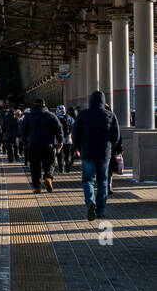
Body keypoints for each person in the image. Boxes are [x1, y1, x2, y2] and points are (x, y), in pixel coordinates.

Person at [71, 90, 121, 221]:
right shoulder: (110, 115)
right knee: (103, 181)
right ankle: (100, 210)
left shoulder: (83, 115)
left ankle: (90, 202)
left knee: (88, 179)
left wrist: (77, 146)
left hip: (87, 152)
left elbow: (75, 133)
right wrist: (110, 147)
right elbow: (116, 136)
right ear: (104, 101)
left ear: (90, 101)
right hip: (104, 153)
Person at [20, 98, 63, 192]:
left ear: (34, 105)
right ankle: (48, 177)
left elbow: (22, 130)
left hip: (34, 144)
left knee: (35, 166)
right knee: (50, 163)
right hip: (48, 144)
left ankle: (37, 187)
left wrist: (25, 142)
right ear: (44, 105)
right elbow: (59, 128)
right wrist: (60, 141)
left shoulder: (28, 116)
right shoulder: (51, 115)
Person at [55, 104, 75, 173]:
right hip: (68, 140)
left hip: (58, 140)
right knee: (67, 154)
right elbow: (74, 127)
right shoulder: (69, 118)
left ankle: (61, 168)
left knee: (59, 154)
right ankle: (67, 167)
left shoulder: (55, 118)